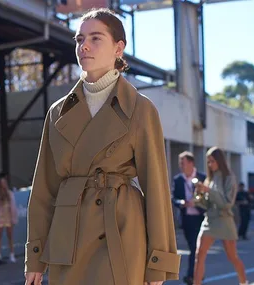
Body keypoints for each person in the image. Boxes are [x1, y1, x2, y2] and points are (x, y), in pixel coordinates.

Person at [24, 8, 180, 285]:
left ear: (118, 47)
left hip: (119, 234)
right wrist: (35, 255)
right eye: (79, 39)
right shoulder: (57, 112)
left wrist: (158, 262)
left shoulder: (140, 109)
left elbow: (156, 188)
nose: (84, 46)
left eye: (96, 38)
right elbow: (43, 191)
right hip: (67, 238)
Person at [193, 147, 248, 285]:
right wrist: (199, 194)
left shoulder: (229, 178)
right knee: (199, 254)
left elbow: (227, 203)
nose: (210, 164)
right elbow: (205, 205)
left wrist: (209, 191)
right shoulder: (209, 179)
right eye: (208, 162)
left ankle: (243, 282)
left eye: (212, 161)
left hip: (224, 220)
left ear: (219, 160)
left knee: (232, 257)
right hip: (209, 220)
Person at [172, 151, 206, 285]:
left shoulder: (202, 177)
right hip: (187, 219)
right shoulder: (178, 179)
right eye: (180, 163)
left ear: (191, 163)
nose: (181, 165)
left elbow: (207, 199)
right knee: (194, 247)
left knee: (196, 248)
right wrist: (182, 203)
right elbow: (174, 198)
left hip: (201, 218)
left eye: (183, 162)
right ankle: (198, 274)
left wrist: (196, 203)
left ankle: (193, 275)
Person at [0, 173, 18, 263]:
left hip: (8, 216)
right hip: (0, 217)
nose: (3, 184)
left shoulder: (9, 193)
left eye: (4, 182)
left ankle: (12, 254)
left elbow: (13, 206)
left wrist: (13, 218)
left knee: (10, 236)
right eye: (2, 183)